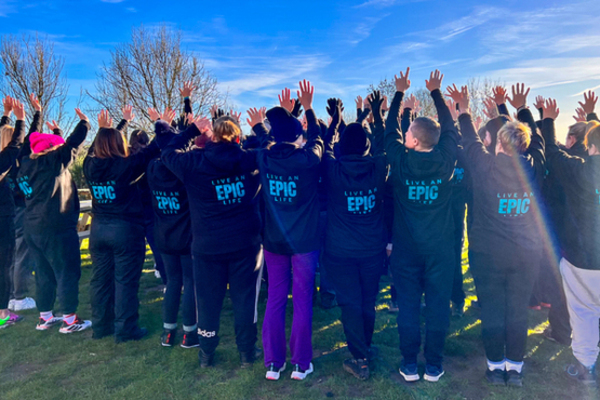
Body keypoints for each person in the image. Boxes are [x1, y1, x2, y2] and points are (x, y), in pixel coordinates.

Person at [451, 83, 545, 387]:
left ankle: (495, 367)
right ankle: (514, 369)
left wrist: (464, 110)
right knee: (517, 309)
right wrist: (518, 109)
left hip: (489, 254)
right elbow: (539, 143)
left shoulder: (485, 166)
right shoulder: (535, 166)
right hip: (526, 253)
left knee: (492, 310)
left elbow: (468, 139)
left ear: (499, 142)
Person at [162, 113, 264, 369]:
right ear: (237, 136)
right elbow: (272, 149)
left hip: (208, 245)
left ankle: (207, 353)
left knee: (208, 300)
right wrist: (259, 127)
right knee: (244, 300)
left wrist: (190, 130)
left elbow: (167, 151)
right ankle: (246, 352)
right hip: (244, 244)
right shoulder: (249, 159)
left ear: (212, 136)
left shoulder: (194, 162)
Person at [385, 69, 458, 383]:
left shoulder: (401, 162)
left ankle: (409, 364)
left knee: (410, 306)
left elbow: (389, 130)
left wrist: (399, 94)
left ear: (413, 139)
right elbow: (451, 131)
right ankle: (434, 365)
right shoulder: (445, 161)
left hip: (406, 249)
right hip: (440, 248)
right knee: (438, 305)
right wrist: (436, 93)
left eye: (408, 134)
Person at [256, 80, 323, 381]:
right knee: (303, 298)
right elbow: (319, 137)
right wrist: (307, 108)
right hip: (304, 243)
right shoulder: (308, 160)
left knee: (276, 298)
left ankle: (274, 363)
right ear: (298, 137)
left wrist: (277, 120)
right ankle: (301, 363)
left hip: (274, 242)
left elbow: (262, 139)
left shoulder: (265, 158)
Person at [321, 91, 387, 380]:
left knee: (351, 302)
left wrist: (335, 121)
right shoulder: (377, 167)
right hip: (372, 249)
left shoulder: (333, 170)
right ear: (367, 147)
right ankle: (365, 349)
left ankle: (360, 357)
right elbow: (385, 144)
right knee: (366, 301)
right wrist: (377, 115)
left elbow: (323, 146)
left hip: (341, 251)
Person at [16, 94, 92, 333]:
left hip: (33, 227)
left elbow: (35, 142)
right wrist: (85, 123)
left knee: (44, 273)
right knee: (67, 270)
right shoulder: (52, 163)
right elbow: (70, 146)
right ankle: (70, 319)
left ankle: (45, 316)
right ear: (52, 151)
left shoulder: (25, 165)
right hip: (56, 227)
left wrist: (40, 118)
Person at [84, 107, 159, 343]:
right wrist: (160, 123)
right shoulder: (125, 166)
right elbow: (154, 149)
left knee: (100, 279)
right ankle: (125, 328)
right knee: (125, 280)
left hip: (99, 230)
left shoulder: (89, 165)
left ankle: (100, 326)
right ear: (119, 145)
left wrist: (113, 126)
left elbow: (95, 147)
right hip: (125, 229)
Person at [540, 92, 600, 385]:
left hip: (583, 258)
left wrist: (548, 120)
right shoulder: (583, 165)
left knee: (584, 311)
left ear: (588, 148)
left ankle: (586, 365)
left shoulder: (579, 171)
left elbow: (552, 152)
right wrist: (592, 118)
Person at [147, 116, 198, 349]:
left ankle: (168, 332)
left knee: (173, 282)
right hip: (186, 234)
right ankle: (190, 333)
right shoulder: (183, 168)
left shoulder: (152, 167)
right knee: (190, 282)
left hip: (164, 233)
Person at [0, 96, 26, 329]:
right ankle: (3, 313)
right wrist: (21, 120)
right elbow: (14, 146)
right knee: (4, 264)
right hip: (3, 218)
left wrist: (6, 116)